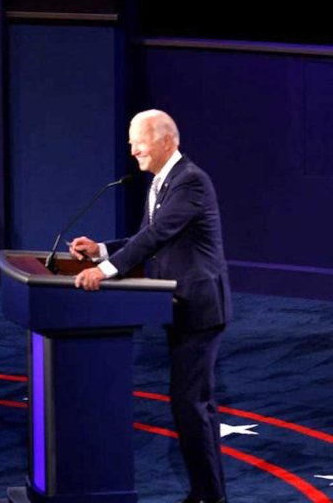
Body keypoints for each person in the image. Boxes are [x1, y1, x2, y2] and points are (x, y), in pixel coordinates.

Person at [69, 110, 231, 503]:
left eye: (138, 140)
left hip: (199, 308)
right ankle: (208, 494)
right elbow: (146, 236)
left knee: (191, 406)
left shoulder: (190, 181)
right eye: (130, 141)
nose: (132, 149)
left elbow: (159, 234)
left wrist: (104, 271)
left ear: (166, 142)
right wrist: (102, 249)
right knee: (192, 405)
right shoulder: (162, 181)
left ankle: (210, 497)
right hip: (177, 305)